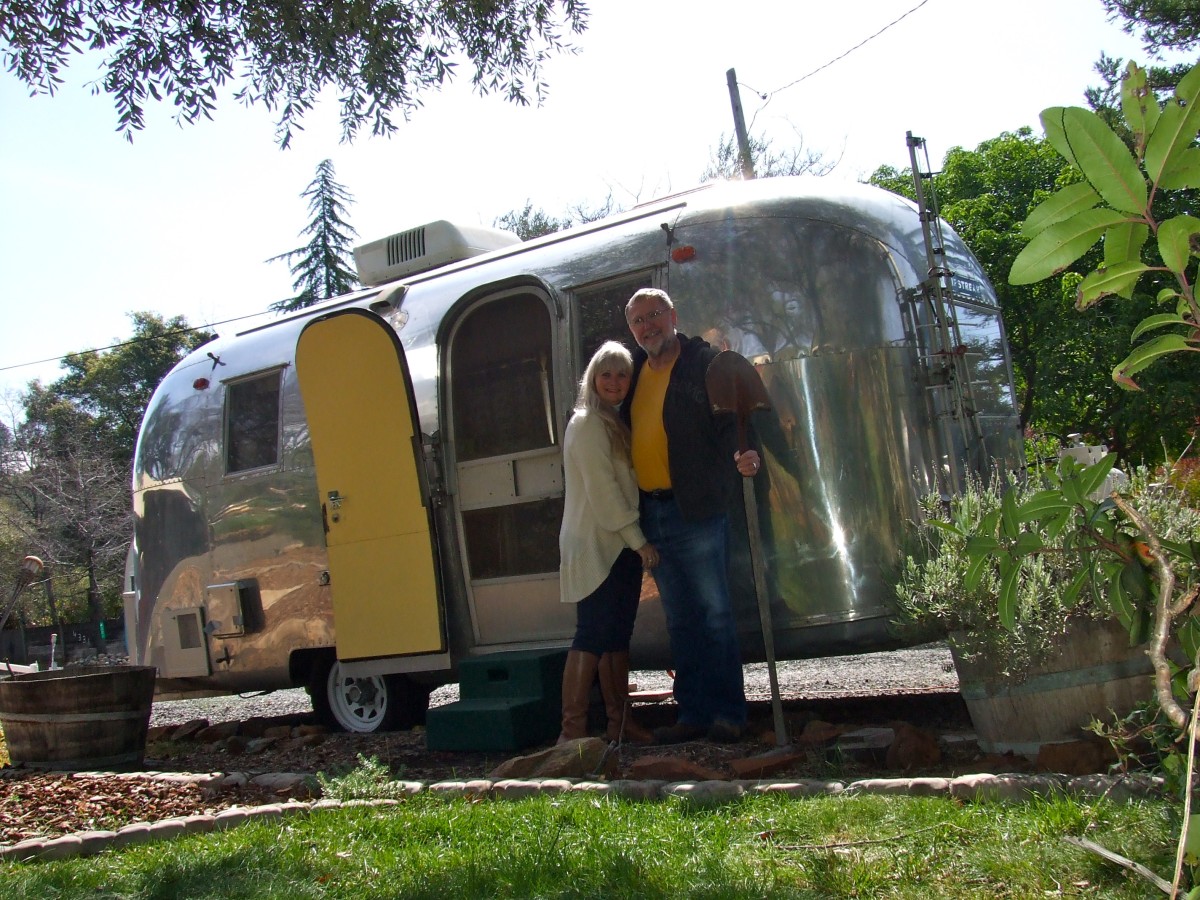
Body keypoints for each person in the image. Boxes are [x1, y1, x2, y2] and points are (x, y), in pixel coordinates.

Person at [621, 288, 761, 744]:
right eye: (639, 320)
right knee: (680, 620)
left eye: (655, 315)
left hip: (697, 509)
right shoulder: (635, 373)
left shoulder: (701, 362)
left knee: (714, 615)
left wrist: (744, 453)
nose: (648, 326)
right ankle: (694, 714)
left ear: (673, 315)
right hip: (653, 513)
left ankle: (728, 714)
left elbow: (730, 419)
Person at [558, 341, 659, 744]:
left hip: (618, 546)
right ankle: (572, 734)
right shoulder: (586, 424)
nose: (614, 382)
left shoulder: (612, 422)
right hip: (598, 544)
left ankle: (620, 726)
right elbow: (604, 492)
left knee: (617, 635)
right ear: (592, 379)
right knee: (593, 634)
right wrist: (639, 540)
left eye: (622, 374)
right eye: (606, 374)